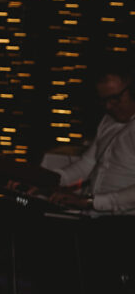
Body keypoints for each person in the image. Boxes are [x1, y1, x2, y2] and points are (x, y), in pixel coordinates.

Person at [46, 56, 135, 216]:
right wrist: (43, 181)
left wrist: (92, 202)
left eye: (115, 98)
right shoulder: (108, 121)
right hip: (95, 217)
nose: (108, 106)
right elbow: (87, 164)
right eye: (104, 100)